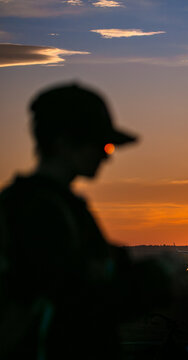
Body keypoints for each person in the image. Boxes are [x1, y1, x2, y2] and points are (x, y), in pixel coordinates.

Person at [0, 83, 171, 359]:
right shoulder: (39, 212)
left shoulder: (48, 207)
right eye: (102, 144)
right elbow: (78, 304)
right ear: (64, 143)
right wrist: (155, 279)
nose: (107, 156)